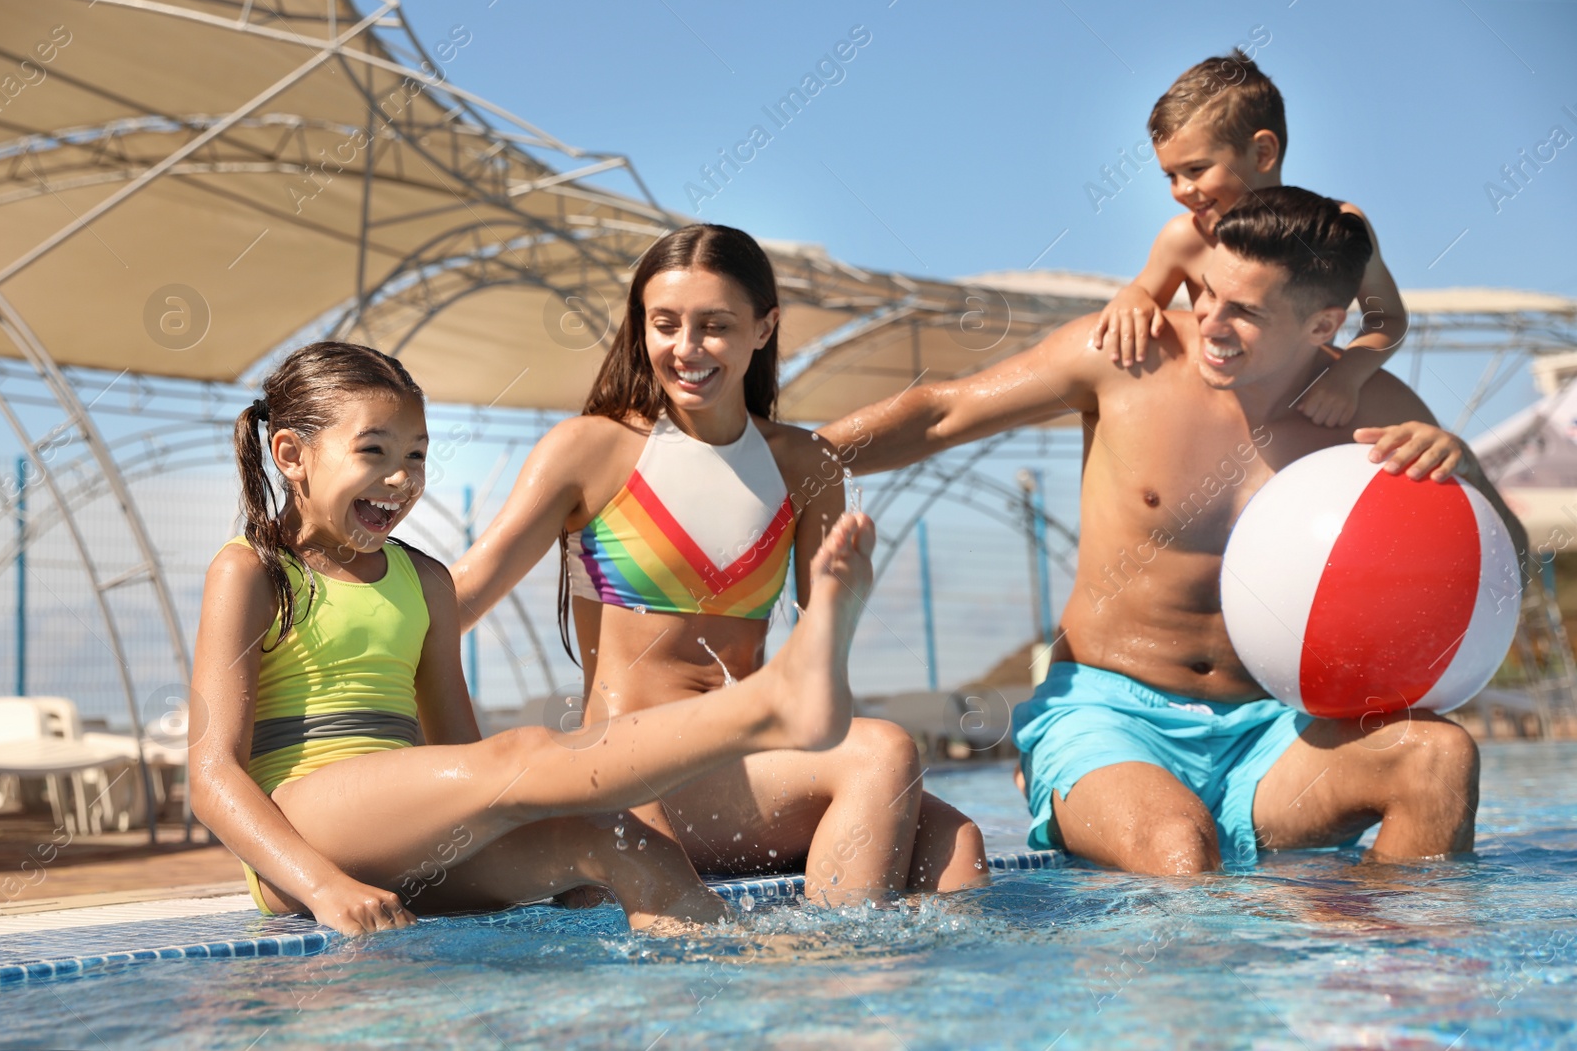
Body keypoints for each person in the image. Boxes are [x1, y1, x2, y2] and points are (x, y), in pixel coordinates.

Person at [822, 187, 1528, 876]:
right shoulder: (1131, 355)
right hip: (1112, 715)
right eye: (1206, 292)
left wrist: (1462, 474)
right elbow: (941, 413)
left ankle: (1372, 980)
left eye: (1245, 311)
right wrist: (789, 459)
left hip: (1273, 731)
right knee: (1178, 850)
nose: (1211, 323)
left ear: (1323, 326)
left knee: (1438, 759)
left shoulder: (1373, 408)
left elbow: (1510, 560)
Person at [189, 340, 879, 935]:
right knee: (522, 753)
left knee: (623, 842)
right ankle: (768, 704)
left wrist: (549, 844)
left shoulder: (424, 581)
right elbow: (212, 774)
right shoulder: (250, 571)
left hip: (409, 839)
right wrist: (319, 883)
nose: (402, 479)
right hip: (301, 830)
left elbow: (465, 757)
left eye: (418, 455)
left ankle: (741, 993)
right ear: (290, 454)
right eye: (374, 451)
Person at [451, 224, 986, 903]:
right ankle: (835, 974)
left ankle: (894, 993)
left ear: (764, 329)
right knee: (884, 750)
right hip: (627, 776)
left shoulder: (803, 467)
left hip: (740, 773)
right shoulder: (591, 450)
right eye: (665, 324)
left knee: (957, 842)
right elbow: (462, 594)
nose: (685, 348)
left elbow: (820, 691)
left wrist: (836, 613)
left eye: (714, 326)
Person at [1091, 50, 1406, 429]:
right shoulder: (1184, 239)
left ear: (1262, 152)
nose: (1181, 190)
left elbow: (1386, 317)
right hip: (1216, 420)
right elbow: (1141, 296)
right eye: (1170, 176)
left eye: (1196, 169)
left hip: (1301, 417)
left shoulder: (1336, 231)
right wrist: (1132, 297)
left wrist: (1346, 376)